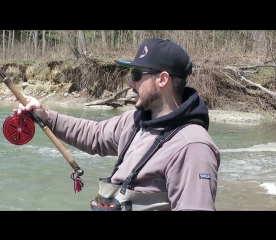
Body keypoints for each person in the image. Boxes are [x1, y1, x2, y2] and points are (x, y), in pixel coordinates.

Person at [13, 38, 221, 211]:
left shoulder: (193, 146)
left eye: (136, 75)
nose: (130, 83)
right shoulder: (134, 121)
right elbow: (93, 135)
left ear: (163, 79)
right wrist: (46, 116)